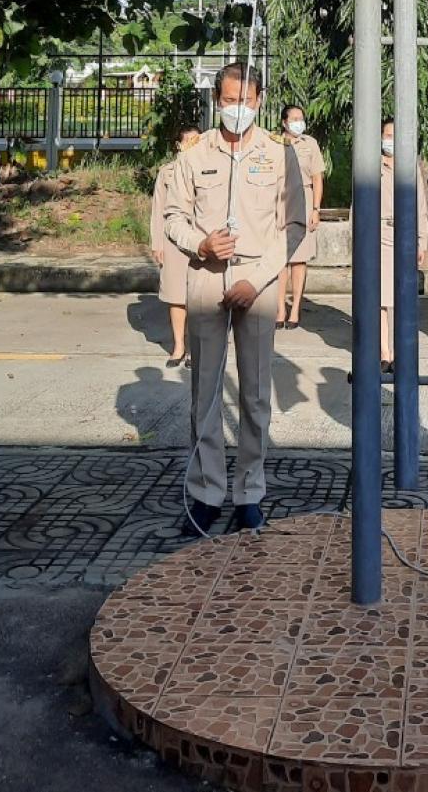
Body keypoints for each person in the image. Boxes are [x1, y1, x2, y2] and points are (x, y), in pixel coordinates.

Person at [164, 62, 305, 536]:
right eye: (227, 100)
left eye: (245, 101)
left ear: (260, 101)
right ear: (216, 101)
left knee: (255, 393)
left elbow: (295, 227)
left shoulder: (279, 154)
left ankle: (249, 491)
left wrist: (260, 277)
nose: (236, 109)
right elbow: (172, 216)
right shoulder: (194, 153)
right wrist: (199, 244)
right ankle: (206, 492)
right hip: (206, 275)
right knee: (204, 391)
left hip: (257, 281)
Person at [380, 120, 428, 372]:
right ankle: (384, 352)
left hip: (405, 236)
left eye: (394, 135)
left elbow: (421, 208)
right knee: (379, 299)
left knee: (400, 298)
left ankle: (400, 351)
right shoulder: (371, 167)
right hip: (378, 237)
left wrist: (422, 241)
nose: (390, 139)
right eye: (386, 135)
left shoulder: (411, 169)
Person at [150, 125, 201, 365]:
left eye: (196, 140)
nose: (193, 144)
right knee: (176, 294)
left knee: (198, 297)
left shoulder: (208, 168)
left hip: (200, 240)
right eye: (188, 140)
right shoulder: (166, 172)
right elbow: (158, 210)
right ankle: (179, 346)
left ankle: (194, 347)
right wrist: (157, 242)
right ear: (178, 145)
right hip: (173, 240)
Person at [276, 103, 325, 330]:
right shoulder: (274, 143)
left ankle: (295, 308)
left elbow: (317, 178)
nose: (298, 122)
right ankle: (279, 309)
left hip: (304, 200)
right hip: (280, 202)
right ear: (284, 122)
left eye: (301, 118)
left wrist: (316, 209)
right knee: (280, 260)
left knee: (299, 259)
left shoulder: (310, 144)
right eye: (294, 118)